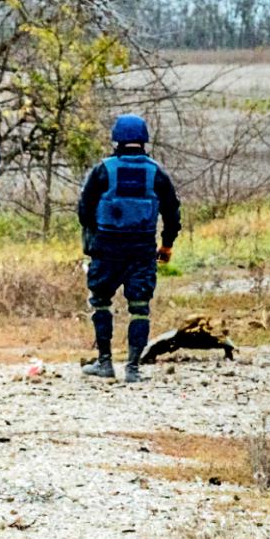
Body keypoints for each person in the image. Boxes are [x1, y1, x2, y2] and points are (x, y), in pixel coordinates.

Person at [78, 114, 181, 384]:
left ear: (116, 140)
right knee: (139, 307)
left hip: (107, 249)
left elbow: (84, 210)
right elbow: (172, 212)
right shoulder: (156, 173)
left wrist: (96, 235)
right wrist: (167, 245)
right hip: (142, 249)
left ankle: (105, 363)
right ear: (144, 140)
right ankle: (133, 368)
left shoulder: (103, 170)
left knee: (101, 302)